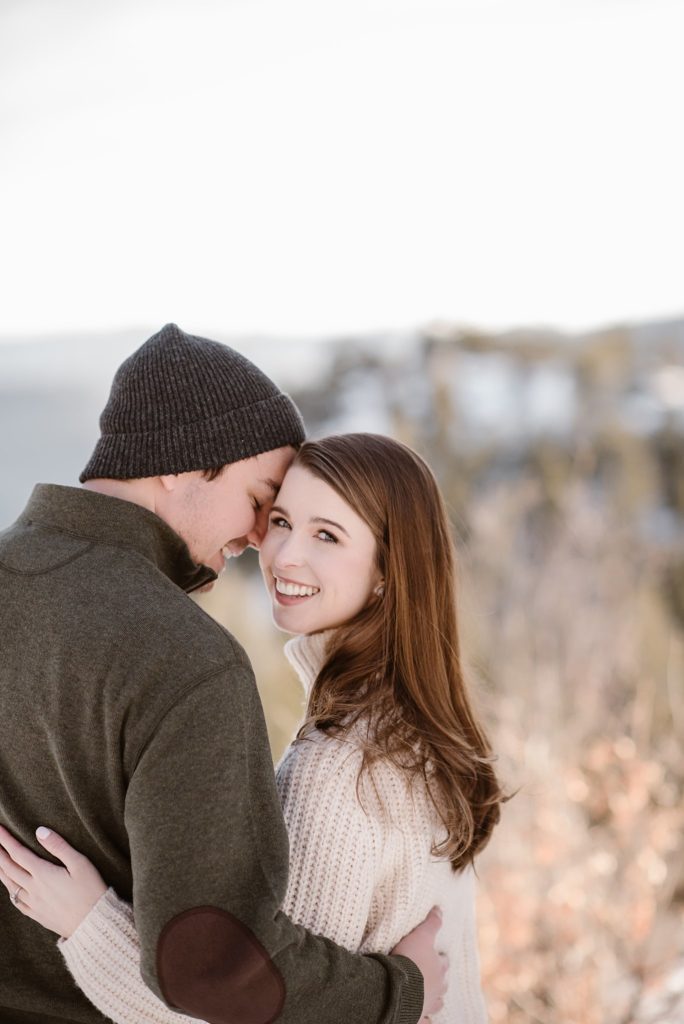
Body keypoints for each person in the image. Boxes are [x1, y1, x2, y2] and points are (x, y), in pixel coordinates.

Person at [0, 326, 446, 1024]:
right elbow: (211, 964)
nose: (259, 537)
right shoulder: (182, 655)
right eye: (261, 498)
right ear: (177, 464)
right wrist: (397, 995)